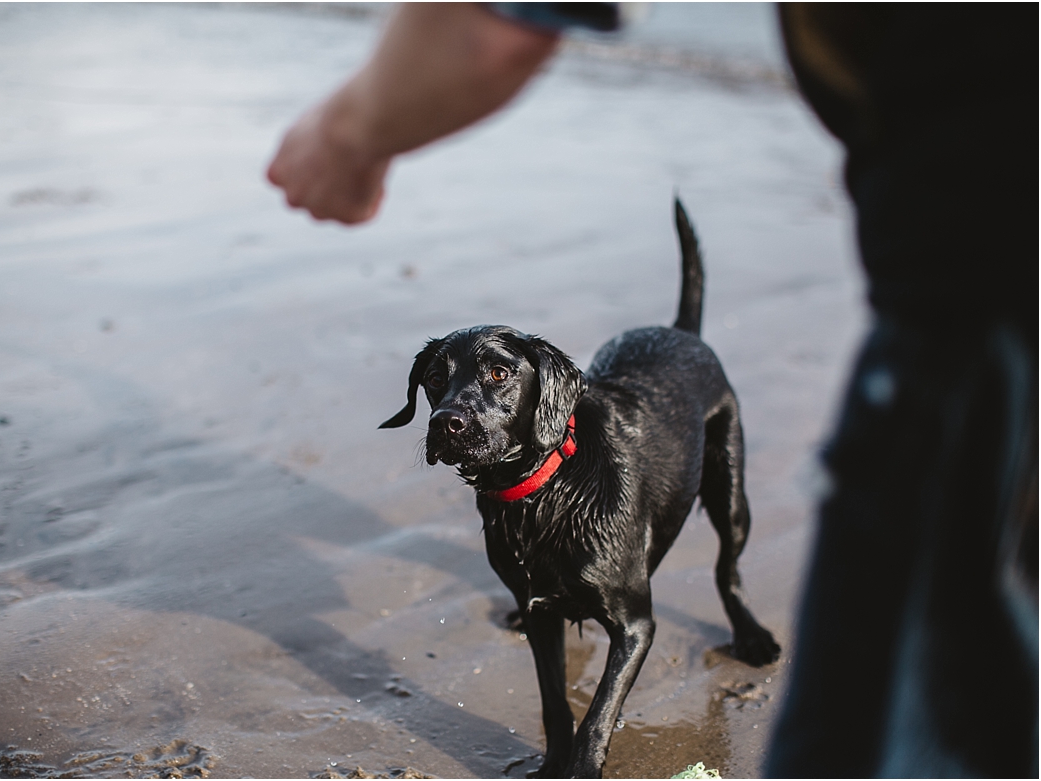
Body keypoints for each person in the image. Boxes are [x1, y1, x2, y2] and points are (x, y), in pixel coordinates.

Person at [267, 4, 1037, 777]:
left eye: (492, 378)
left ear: (547, 394)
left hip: (972, 297)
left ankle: (731, 592)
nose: (452, 405)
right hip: (977, 279)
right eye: (439, 386)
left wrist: (349, 133)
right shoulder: (495, 488)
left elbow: (493, 26)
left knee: (887, 701)